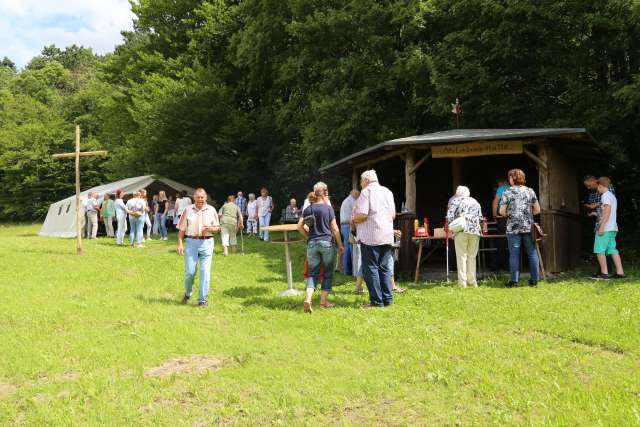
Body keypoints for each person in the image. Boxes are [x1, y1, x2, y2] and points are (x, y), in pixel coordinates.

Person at [298, 182, 344, 313]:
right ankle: (323, 302)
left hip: (312, 244)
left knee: (312, 274)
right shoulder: (328, 209)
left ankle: (308, 299)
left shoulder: (308, 209)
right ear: (323, 193)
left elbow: (299, 226)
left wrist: (308, 236)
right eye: (327, 192)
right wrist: (340, 244)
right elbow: (334, 229)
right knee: (328, 273)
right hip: (327, 243)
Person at [352, 170, 396, 308]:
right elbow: (393, 215)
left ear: (365, 180)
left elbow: (363, 215)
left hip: (371, 237)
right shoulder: (387, 192)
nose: (360, 183)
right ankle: (387, 300)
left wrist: (353, 218)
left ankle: (376, 302)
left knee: (371, 269)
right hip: (387, 235)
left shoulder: (366, 192)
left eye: (360, 181)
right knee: (384, 269)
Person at [177, 188, 220, 308]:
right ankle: (187, 293)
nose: (200, 199)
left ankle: (202, 300)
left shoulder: (211, 210)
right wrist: (180, 243)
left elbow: (217, 227)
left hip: (207, 243)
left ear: (205, 198)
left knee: (205, 272)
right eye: (198, 197)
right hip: (191, 242)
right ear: (194, 198)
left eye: (202, 197)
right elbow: (181, 228)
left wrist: (211, 229)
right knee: (190, 272)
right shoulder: (187, 209)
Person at [499, 169, 541, 287]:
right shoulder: (530, 191)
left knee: (514, 254)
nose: (509, 180)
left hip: (513, 227)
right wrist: (527, 214)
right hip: (528, 226)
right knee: (532, 253)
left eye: (510, 178)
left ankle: (514, 281)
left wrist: (509, 214)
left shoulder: (507, 192)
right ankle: (534, 280)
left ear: (513, 178)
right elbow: (537, 210)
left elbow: (501, 211)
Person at [447, 186, 486, 288]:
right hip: (475, 231)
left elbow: (450, 216)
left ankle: (462, 283)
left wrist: (452, 227)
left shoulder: (455, 201)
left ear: (457, 193)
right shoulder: (475, 201)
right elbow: (481, 218)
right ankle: (472, 282)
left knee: (461, 257)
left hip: (461, 230)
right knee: (472, 257)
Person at [591, 177, 625, 279]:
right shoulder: (612, 196)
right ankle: (620, 272)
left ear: (601, 186)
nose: (597, 190)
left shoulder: (605, 196)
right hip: (612, 228)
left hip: (605, 228)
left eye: (598, 187)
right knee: (612, 249)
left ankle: (604, 273)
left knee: (599, 250)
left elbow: (607, 211)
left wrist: (602, 226)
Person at [339, 190, 359, 275]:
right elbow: (356, 214)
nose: (359, 197)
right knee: (350, 248)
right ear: (354, 194)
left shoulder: (346, 200)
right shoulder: (352, 201)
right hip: (347, 225)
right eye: (358, 195)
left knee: (347, 247)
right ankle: (350, 271)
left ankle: (346, 270)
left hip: (344, 226)